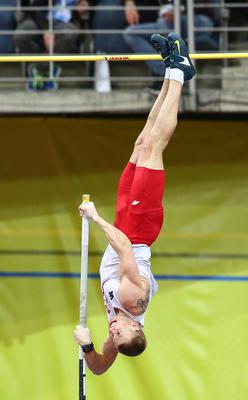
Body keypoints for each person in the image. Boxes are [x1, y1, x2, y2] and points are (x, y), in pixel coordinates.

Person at [73, 32, 195, 375]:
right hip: (138, 227)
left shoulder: (118, 328)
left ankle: (172, 69)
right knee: (155, 146)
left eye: (113, 335)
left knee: (142, 140)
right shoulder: (131, 302)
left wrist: (86, 346)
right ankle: (178, 73)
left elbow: (98, 368)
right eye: (119, 332)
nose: (112, 331)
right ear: (137, 327)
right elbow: (124, 247)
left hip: (127, 221)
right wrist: (95, 217)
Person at [124, 0, 220, 93]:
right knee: (131, 33)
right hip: (166, 21)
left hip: (199, 18)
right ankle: (167, 74)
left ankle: (170, 76)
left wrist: (177, 9)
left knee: (164, 24)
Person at [13, 0, 87, 90]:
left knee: (71, 33)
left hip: (64, 21)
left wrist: (86, 3)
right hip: (39, 18)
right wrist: (46, 30)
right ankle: (48, 67)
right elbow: (33, 7)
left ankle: (38, 68)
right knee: (19, 36)